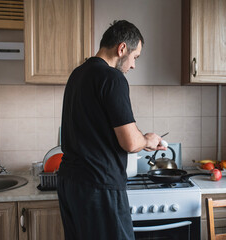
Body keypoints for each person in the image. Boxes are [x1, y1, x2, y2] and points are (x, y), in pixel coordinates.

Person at [57, 20, 166, 240]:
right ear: (122, 48)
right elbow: (131, 143)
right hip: (99, 185)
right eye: (135, 57)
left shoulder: (77, 74)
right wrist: (147, 140)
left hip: (70, 183)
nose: (133, 65)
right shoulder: (112, 78)